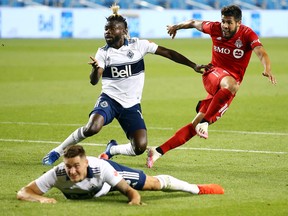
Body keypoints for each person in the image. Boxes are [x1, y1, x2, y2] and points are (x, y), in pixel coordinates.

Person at [42, 4, 208, 165]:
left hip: (131, 104)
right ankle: (57, 151)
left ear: (124, 31)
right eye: (106, 29)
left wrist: (193, 65)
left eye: (112, 29)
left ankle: (112, 150)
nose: (108, 32)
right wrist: (95, 70)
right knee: (92, 127)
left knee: (140, 147)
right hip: (110, 99)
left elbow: (168, 53)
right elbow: (94, 81)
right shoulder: (103, 52)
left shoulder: (139, 45)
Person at [146, 4, 277, 168]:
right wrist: (176, 27)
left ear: (238, 23)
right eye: (223, 21)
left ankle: (157, 151)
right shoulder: (214, 28)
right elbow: (194, 22)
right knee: (231, 86)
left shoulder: (247, 34)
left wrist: (267, 68)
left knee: (195, 126)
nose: (225, 26)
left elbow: (261, 52)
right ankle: (206, 123)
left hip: (226, 89)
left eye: (229, 22)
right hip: (213, 74)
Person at [17, 145, 224, 204]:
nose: (71, 171)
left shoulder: (101, 168)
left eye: (76, 166)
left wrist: (134, 200)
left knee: (152, 184)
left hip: (107, 177)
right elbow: (24, 192)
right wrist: (41, 199)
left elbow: (131, 193)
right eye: (68, 166)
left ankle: (198, 188)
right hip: (98, 190)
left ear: (86, 162)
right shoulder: (58, 173)